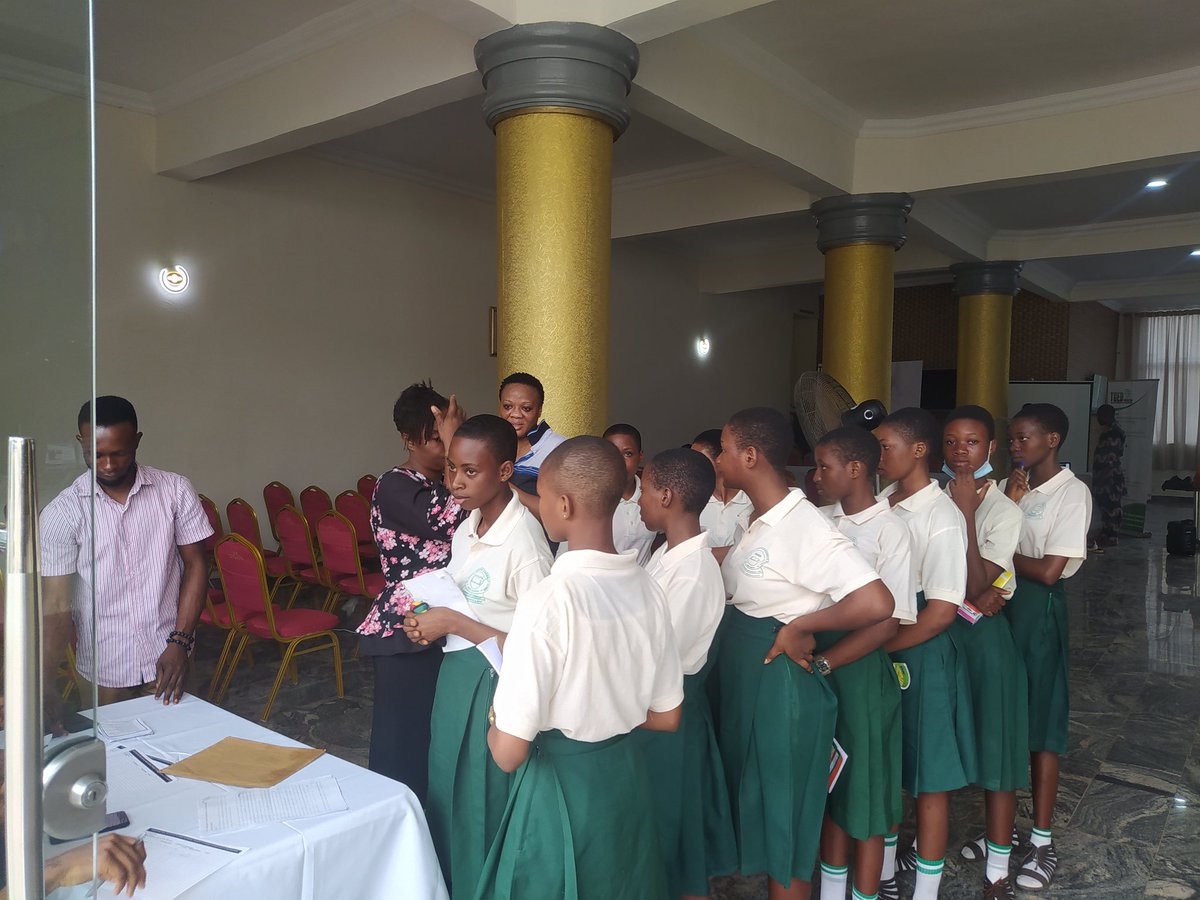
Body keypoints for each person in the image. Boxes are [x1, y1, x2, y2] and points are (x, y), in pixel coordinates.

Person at [474, 437, 684, 899]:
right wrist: (609, 706)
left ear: (564, 504)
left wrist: (495, 718)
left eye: (543, 497)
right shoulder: (650, 590)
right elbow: (668, 716)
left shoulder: (550, 599)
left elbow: (508, 754)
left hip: (563, 790)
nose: (539, 507)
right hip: (626, 779)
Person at [715, 408, 894, 900]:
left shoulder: (805, 527)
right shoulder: (761, 519)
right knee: (765, 812)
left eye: (726, 450)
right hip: (749, 676)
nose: (719, 460)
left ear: (749, 457)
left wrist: (803, 624)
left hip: (781, 685)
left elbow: (877, 602)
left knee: (787, 823)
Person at [402, 414, 553, 896]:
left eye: (471, 472)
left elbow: (540, 647)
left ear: (505, 471)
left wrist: (456, 623)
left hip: (496, 684)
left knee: (481, 799)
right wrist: (430, 618)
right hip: (457, 674)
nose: (455, 483)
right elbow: (466, 601)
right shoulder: (469, 526)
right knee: (447, 787)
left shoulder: (525, 543)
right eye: (450, 469)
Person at [40, 396, 212, 707]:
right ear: (81, 442)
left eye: (119, 453)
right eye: (96, 454)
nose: (107, 465)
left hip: (170, 657)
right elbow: (55, 605)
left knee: (187, 751)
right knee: (111, 754)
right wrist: (44, 679)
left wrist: (181, 642)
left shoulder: (174, 490)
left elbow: (196, 564)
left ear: (137, 440)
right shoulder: (62, 513)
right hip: (104, 669)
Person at [809, 426, 915, 900]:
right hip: (817, 662)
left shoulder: (890, 529)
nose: (814, 476)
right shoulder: (820, 521)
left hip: (859, 672)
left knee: (866, 796)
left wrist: (826, 664)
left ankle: (866, 891)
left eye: (823, 467)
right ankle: (832, 891)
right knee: (833, 789)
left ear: (855, 470)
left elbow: (887, 624)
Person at [874, 407, 973, 900]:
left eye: (884, 447)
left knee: (929, 774)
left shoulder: (941, 516)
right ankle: (886, 871)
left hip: (921, 650)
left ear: (918, 451)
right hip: (884, 639)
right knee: (890, 762)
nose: (876, 457)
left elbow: (940, 612)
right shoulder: (882, 502)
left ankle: (927, 888)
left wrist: (876, 647)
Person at [356, 382, 466, 801]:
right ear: (408, 439)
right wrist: (461, 446)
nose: (446, 448)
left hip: (449, 623)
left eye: (449, 435)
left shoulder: (448, 482)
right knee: (403, 750)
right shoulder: (395, 486)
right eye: (437, 438)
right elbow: (449, 520)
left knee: (437, 743)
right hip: (407, 631)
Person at [635, 448, 736, 900]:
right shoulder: (667, 555)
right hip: (651, 705)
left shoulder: (694, 571)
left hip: (670, 710)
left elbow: (659, 655)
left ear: (667, 495)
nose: (637, 501)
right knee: (658, 832)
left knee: (677, 837)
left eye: (642, 491)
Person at [1002, 403, 1091, 892]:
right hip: (1005, 606)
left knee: (1042, 720)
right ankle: (1003, 831)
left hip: (1039, 610)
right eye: (1012, 439)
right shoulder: (1009, 487)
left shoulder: (1070, 493)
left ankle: (1041, 838)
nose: (1016, 447)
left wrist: (1002, 556)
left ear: (1052, 440)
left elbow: (1049, 570)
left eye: (1024, 438)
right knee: (1008, 713)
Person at [942, 406, 1029, 900]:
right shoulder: (929, 499)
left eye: (972, 443)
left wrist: (969, 514)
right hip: (941, 633)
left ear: (990, 449)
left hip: (984, 640)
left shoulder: (1004, 509)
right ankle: (918, 847)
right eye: (952, 441)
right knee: (939, 742)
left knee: (997, 754)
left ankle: (997, 870)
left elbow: (978, 588)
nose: (961, 452)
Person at [554, 423, 657, 565]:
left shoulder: (652, 497)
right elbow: (566, 557)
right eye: (612, 453)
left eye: (628, 454)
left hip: (638, 585)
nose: (619, 462)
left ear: (640, 456)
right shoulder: (587, 501)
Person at [498, 372, 566, 494]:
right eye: (508, 406)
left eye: (526, 408)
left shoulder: (558, 448)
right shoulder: (491, 444)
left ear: (539, 410)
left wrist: (495, 484)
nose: (516, 414)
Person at [690, 429, 752, 560]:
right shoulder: (692, 501)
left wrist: (702, 555)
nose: (693, 465)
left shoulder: (751, 500)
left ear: (720, 459)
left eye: (699, 459)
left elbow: (756, 549)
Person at [1090, 404, 1126, 549]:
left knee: (1112, 507)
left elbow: (1110, 457)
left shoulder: (1114, 433)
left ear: (1107, 415)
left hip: (1110, 478)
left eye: (1100, 415)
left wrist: (1105, 478)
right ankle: (1106, 533)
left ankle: (1112, 536)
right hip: (1102, 477)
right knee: (1104, 507)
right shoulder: (1108, 431)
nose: (1097, 418)